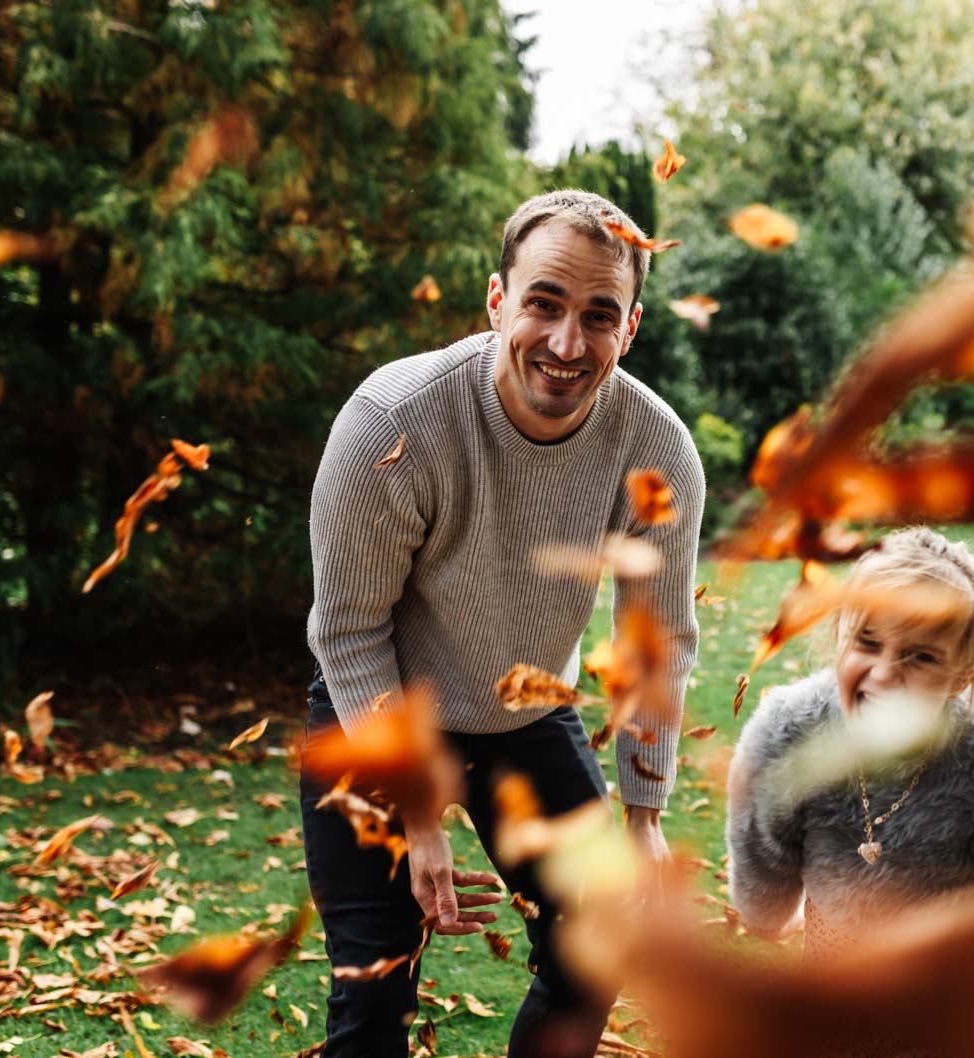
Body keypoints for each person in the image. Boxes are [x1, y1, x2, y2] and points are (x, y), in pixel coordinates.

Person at [299, 190, 704, 1058]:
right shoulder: (392, 421)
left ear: (628, 329)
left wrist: (642, 815)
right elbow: (346, 631)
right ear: (496, 300)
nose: (566, 344)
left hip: (522, 712)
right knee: (374, 996)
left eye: (599, 316)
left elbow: (655, 638)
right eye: (544, 304)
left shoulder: (657, 450)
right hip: (378, 700)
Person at [725, 528, 974, 968]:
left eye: (921, 657)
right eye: (868, 642)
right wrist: (775, 912)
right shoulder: (787, 735)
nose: (882, 675)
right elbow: (763, 895)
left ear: (963, 675)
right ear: (841, 635)